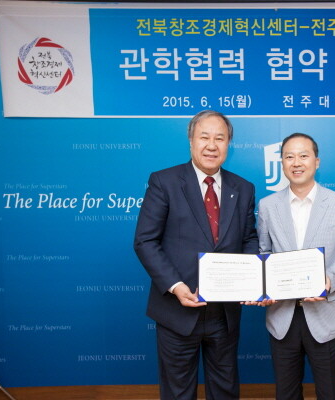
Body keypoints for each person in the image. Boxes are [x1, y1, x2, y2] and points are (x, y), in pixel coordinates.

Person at [134, 110, 258, 400]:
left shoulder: (243, 188)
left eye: (220, 138)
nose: (211, 145)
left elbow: (249, 239)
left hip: (224, 314)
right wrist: (176, 286)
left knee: (225, 391)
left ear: (228, 144)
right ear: (191, 141)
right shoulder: (164, 181)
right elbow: (145, 241)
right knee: (178, 393)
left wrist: (254, 280)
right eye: (204, 137)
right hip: (177, 310)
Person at [256, 133, 335, 399]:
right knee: (286, 393)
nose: (296, 162)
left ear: (316, 162)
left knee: (328, 392)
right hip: (282, 316)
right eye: (289, 157)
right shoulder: (267, 206)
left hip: (326, 315)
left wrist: (328, 280)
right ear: (282, 163)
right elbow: (264, 252)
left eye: (303, 156)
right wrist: (263, 287)